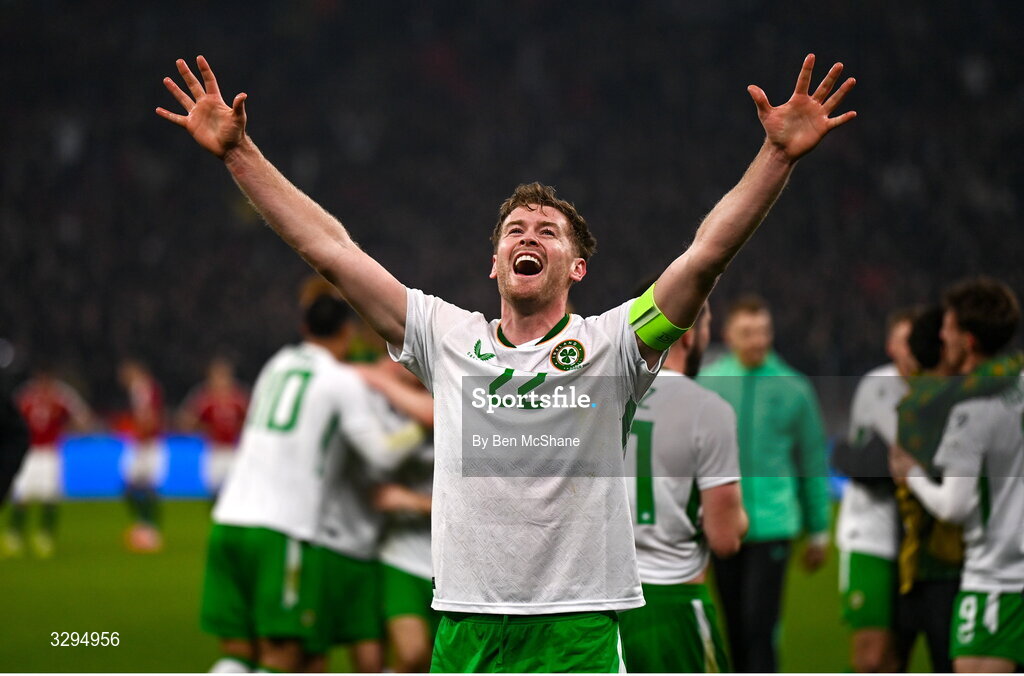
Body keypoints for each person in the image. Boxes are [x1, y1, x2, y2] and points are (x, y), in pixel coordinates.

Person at [158, 52, 856, 672]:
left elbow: (706, 254)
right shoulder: (446, 336)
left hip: (576, 629)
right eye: (514, 230)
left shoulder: (615, 344)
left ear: (577, 266)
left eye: (547, 231)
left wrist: (777, 158)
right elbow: (332, 252)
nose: (529, 235)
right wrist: (238, 153)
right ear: (493, 263)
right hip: (464, 626)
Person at [201, 294, 415, 673]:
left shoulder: (276, 365)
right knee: (283, 657)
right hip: (281, 529)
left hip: (227, 520)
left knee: (237, 652)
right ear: (347, 334)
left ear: (304, 329)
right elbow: (382, 455)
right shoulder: (341, 380)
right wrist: (420, 427)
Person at [890, 278, 1024, 673]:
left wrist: (911, 474)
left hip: (997, 581)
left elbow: (953, 505)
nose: (941, 335)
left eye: (948, 327)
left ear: (967, 341)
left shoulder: (968, 412)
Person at [697, 294, 832, 673]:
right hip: (722, 527)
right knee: (734, 631)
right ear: (729, 335)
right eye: (748, 332)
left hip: (774, 524)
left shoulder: (794, 388)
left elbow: (811, 460)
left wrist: (818, 530)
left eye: (763, 332)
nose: (757, 340)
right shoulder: (708, 383)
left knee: (760, 628)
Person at [619, 302, 747, 673]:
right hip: (672, 604)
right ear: (687, 335)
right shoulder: (708, 410)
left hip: (599, 606)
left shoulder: (595, 400)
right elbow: (725, 540)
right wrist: (739, 519)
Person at [834, 309, 916, 672]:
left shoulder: (941, 386)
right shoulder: (876, 385)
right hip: (872, 535)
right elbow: (862, 463)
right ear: (890, 345)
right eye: (902, 339)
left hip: (920, 542)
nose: (909, 349)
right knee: (871, 657)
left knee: (899, 656)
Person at [358, 358, 438, 673]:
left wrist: (411, 501)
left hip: (451, 566)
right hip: (401, 556)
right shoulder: (389, 417)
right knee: (413, 654)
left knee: (442, 662)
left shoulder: (457, 408)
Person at [5, 366, 94, 558]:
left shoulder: (61, 396)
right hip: (29, 452)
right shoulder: (26, 396)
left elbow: (82, 417)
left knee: (49, 496)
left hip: (50, 453)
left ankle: (45, 537)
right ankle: (14, 536)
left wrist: (72, 431)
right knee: (22, 496)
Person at [177, 356, 249, 499]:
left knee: (234, 493)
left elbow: (250, 420)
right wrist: (203, 428)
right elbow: (186, 420)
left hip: (232, 451)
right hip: (214, 451)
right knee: (214, 492)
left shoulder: (238, 398)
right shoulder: (205, 398)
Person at [117, 358, 166, 553]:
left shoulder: (143, 388)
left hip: (147, 445)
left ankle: (150, 530)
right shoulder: (142, 389)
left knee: (142, 487)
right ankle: (146, 527)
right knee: (134, 486)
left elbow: (149, 417)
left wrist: (140, 434)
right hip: (143, 443)